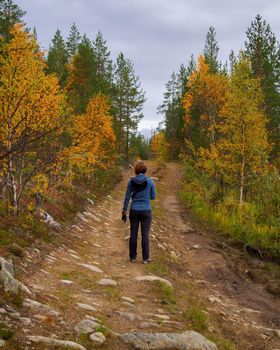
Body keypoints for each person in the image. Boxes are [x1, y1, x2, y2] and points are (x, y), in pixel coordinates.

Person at [122, 161, 156, 264]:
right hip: (146, 211)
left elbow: (127, 197)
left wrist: (124, 210)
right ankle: (145, 259)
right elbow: (153, 197)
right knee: (145, 235)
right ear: (145, 170)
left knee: (133, 234)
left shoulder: (131, 181)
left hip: (134, 210)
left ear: (136, 170)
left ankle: (132, 257)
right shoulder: (150, 181)